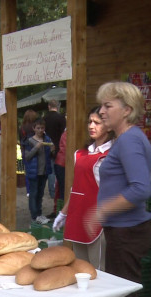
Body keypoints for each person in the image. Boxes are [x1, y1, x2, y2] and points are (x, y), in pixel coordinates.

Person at [85, 82, 151, 297]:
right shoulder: (128, 139)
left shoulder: (129, 140)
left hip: (127, 234)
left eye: (108, 106)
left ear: (127, 110)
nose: (102, 111)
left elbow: (141, 188)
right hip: (121, 232)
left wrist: (101, 211)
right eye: (101, 105)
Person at [52, 107, 114, 270]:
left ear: (108, 126)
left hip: (98, 221)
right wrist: (63, 213)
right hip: (77, 218)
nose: (91, 126)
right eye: (90, 122)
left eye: (97, 122)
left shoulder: (113, 154)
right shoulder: (79, 154)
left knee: (99, 272)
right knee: (80, 270)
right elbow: (76, 188)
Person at [23, 118, 53, 224]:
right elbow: (27, 157)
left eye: (42, 128)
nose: (40, 130)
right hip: (33, 172)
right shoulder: (29, 141)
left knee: (40, 194)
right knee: (33, 194)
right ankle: (34, 216)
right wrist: (36, 147)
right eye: (38, 128)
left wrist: (52, 150)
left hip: (44, 171)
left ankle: (39, 214)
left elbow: (50, 156)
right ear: (34, 128)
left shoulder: (47, 139)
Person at [44, 99, 66, 209]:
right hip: (59, 148)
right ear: (57, 106)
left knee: (50, 172)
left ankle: (52, 193)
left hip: (46, 147)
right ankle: (54, 194)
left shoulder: (45, 118)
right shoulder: (61, 118)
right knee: (56, 175)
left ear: (49, 106)